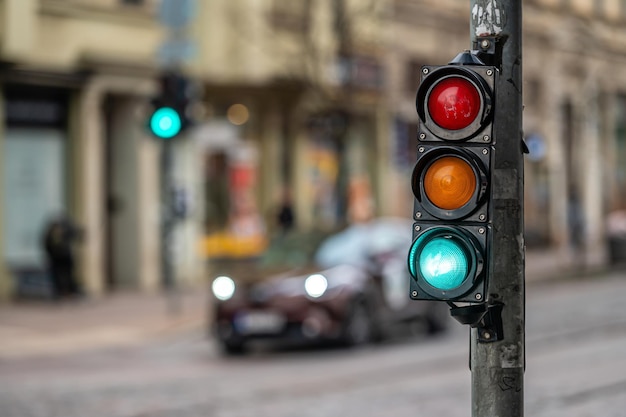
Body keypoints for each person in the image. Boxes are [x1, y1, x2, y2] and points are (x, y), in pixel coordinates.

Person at [42, 215, 83, 299]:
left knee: (68, 275)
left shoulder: (65, 233)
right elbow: (47, 246)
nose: (58, 231)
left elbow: (74, 235)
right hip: (55, 260)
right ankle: (59, 292)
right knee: (57, 277)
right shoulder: (50, 235)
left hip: (65, 259)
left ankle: (70, 291)